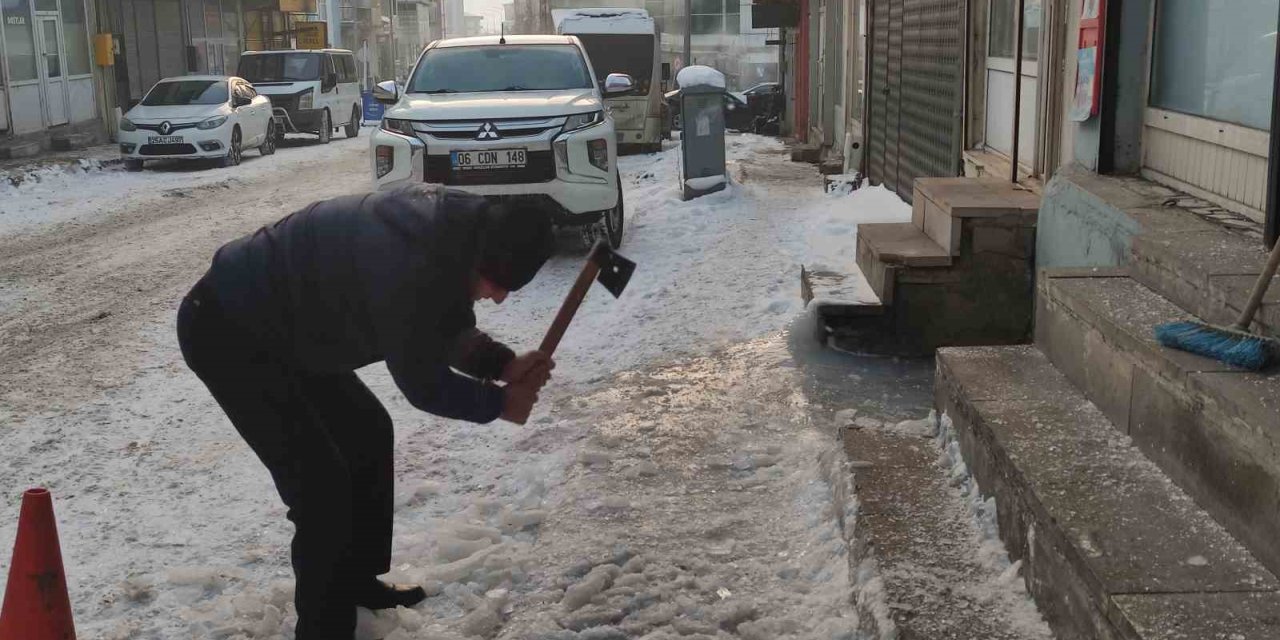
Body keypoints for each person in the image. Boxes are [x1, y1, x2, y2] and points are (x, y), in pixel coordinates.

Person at [176, 185, 556, 638]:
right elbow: (423, 381)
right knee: (320, 489)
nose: (498, 299)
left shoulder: (462, 230)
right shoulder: (409, 258)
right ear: (481, 259)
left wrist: (503, 364)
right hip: (230, 329)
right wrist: (498, 404)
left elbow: (441, 322)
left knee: (368, 434)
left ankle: (354, 581)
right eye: (498, 284)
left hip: (295, 331)